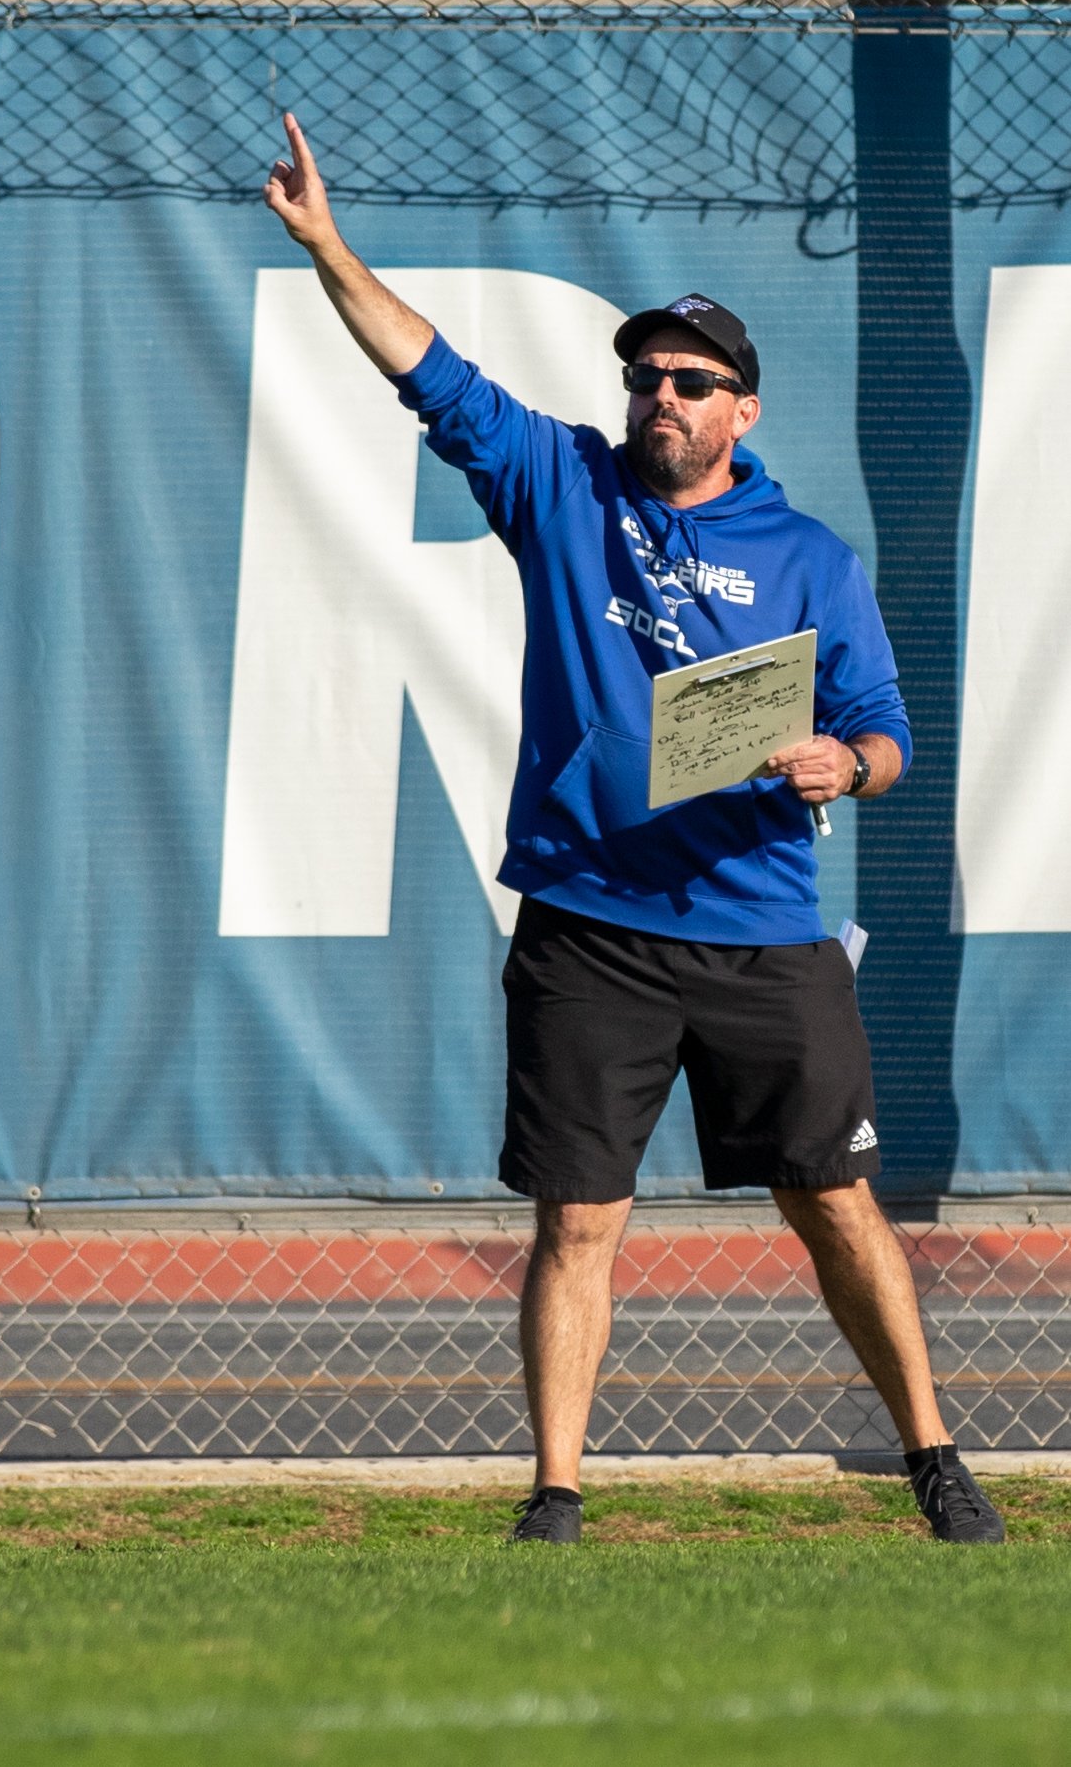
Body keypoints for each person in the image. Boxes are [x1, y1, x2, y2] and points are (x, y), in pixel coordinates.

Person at [264, 113, 1003, 1548]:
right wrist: (327, 246)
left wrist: (840, 767)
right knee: (578, 1221)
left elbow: (891, 735)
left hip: (763, 930)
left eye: (691, 380)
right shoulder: (567, 490)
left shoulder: (810, 560)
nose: (658, 393)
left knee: (837, 1205)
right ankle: (556, 1493)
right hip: (593, 923)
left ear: (744, 411)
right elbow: (433, 373)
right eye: (645, 374)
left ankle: (931, 1459)